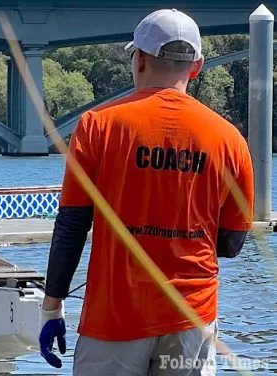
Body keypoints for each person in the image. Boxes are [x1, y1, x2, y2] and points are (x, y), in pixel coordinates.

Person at [39, 8, 254, 375]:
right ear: (197, 67)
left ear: (138, 60)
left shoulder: (97, 126)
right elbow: (232, 243)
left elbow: (72, 226)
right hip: (192, 319)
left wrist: (52, 308)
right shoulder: (230, 140)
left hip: (113, 321)